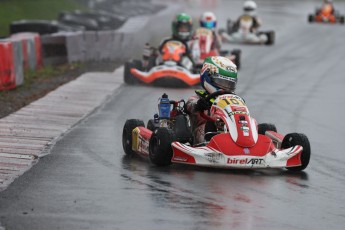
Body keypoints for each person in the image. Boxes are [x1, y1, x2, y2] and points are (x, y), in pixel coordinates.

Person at [186, 56, 238, 144]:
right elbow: (189, 105)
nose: (226, 87)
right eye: (222, 82)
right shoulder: (198, 98)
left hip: (231, 133)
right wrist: (199, 104)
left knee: (255, 125)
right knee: (213, 123)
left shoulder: (233, 100)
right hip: (203, 134)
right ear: (207, 77)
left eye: (229, 84)